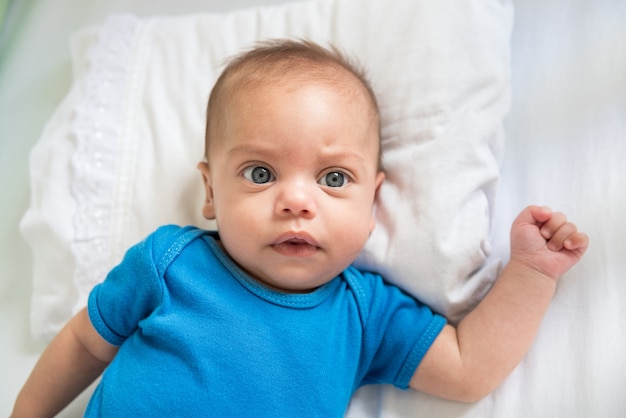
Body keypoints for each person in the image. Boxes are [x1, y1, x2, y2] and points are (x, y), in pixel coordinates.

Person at [12, 39, 589, 417]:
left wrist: (532, 274)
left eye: (334, 178)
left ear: (373, 204)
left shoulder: (363, 316)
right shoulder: (171, 262)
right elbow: (85, 340)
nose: (295, 200)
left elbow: (468, 369)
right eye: (261, 173)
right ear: (211, 192)